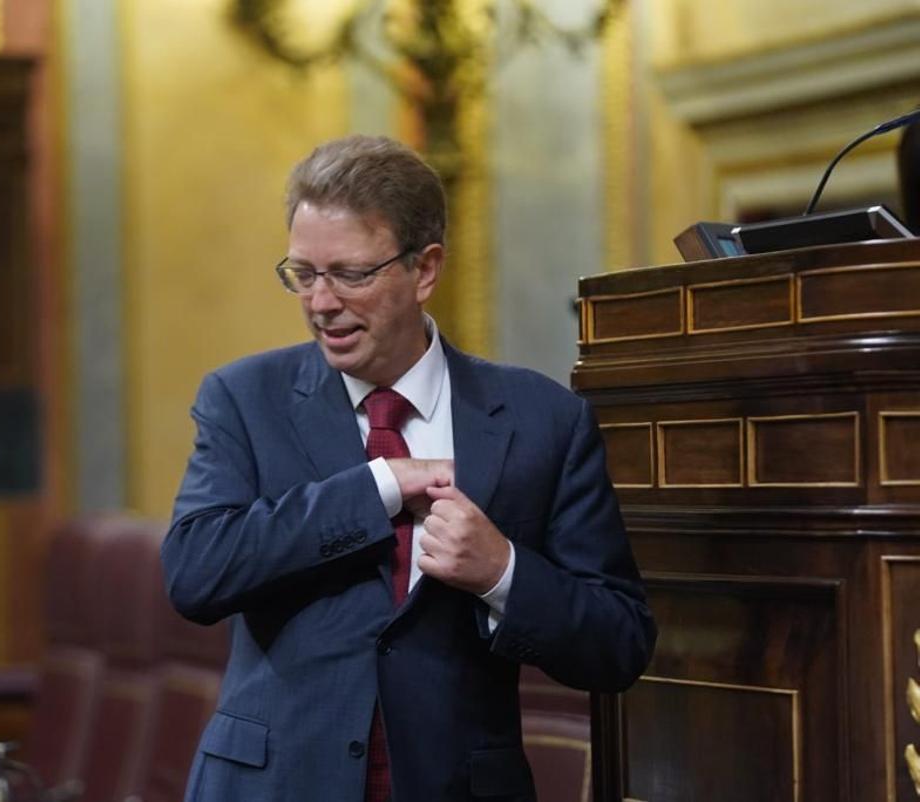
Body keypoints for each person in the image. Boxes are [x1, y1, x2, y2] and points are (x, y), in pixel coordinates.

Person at [161, 135, 655, 802]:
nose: (321, 303)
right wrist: (379, 488)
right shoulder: (243, 399)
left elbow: (618, 644)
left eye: (350, 274)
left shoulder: (544, 419)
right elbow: (196, 572)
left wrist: (503, 571)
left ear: (424, 271)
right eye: (303, 273)